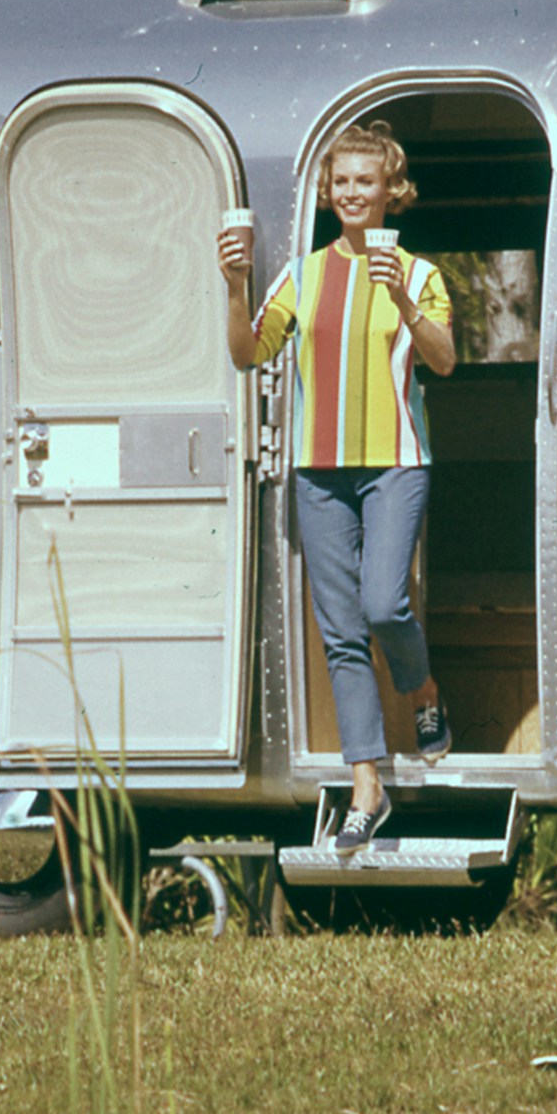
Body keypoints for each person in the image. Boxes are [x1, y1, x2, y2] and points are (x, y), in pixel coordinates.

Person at [218, 123, 458, 849]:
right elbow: (247, 353)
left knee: (385, 603)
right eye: (341, 183)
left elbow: (444, 363)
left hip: (395, 462)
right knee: (341, 632)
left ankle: (422, 693)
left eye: (366, 181)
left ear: (392, 192)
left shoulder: (420, 276)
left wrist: (407, 307)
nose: (352, 193)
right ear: (328, 194)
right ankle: (367, 784)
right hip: (317, 469)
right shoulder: (300, 274)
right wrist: (236, 286)